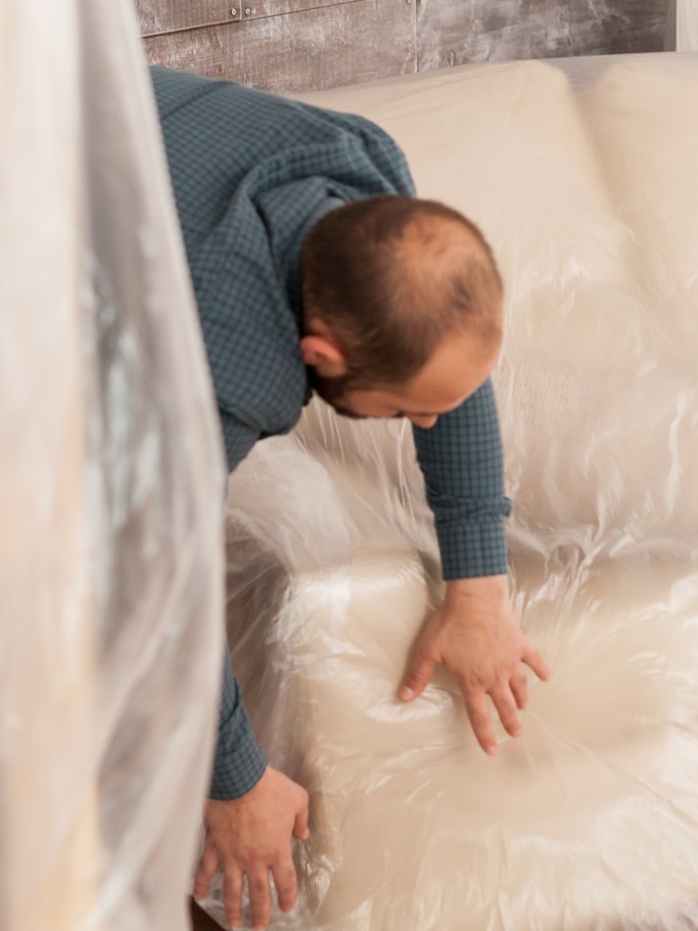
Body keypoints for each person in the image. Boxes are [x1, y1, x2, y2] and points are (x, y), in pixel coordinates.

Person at [152, 65, 551, 928]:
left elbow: (447, 364)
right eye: (405, 412)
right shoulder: (227, 364)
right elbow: (151, 571)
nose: (422, 422)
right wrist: (233, 779)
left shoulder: (360, 171)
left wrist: (478, 585)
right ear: (320, 354)